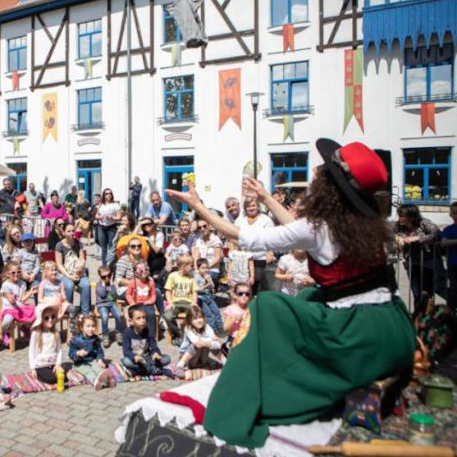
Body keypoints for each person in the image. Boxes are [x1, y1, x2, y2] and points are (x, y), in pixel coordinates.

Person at [167, 139, 416, 448]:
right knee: (308, 299)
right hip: (393, 330)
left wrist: (197, 206)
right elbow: (301, 233)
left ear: (331, 187)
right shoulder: (365, 224)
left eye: (324, 170)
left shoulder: (320, 226)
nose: (315, 170)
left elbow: (241, 235)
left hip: (355, 336)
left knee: (267, 308)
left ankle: (265, 389)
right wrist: (265, 197)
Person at [395, 204, 445, 303]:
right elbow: (389, 232)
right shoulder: (398, 226)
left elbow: (437, 234)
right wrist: (397, 238)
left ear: (411, 216)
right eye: (399, 215)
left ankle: (429, 315)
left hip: (428, 261)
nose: (399, 218)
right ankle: (418, 315)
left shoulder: (424, 223)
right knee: (416, 291)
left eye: (402, 216)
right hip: (411, 261)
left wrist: (417, 238)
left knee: (427, 291)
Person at [234, 198, 275, 295]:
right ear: (245, 208)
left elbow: (271, 237)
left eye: (253, 205)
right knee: (245, 288)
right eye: (248, 206)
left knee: (260, 287)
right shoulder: (240, 221)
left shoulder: (266, 220)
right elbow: (234, 237)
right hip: (244, 259)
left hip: (260, 258)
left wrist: (270, 253)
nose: (251, 208)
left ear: (258, 206)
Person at [121, 306, 172, 378]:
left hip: (147, 357)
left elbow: (153, 345)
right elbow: (126, 350)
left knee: (167, 359)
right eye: (138, 318)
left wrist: (156, 353)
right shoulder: (127, 332)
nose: (142, 320)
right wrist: (134, 357)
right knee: (126, 361)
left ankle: (136, 372)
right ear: (131, 321)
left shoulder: (148, 330)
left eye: (144, 317)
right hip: (136, 360)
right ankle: (157, 370)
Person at [174, 305, 223, 379]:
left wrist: (208, 343)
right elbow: (197, 344)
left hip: (203, 360)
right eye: (195, 319)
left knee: (211, 345)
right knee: (195, 345)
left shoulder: (207, 327)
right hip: (190, 360)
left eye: (200, 317)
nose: (199, 321)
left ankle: (226, 362)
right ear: (190, 320)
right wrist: (210, 342)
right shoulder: (188, 328)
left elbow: (218, 344)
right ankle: (180, 365)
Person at [68, 314, 114, 390]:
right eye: (88, 326)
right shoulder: (76, 340)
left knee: (98, 367)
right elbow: (71, 353)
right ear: (81, 328)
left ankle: (106, 379)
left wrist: (100, 359)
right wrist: (78, 353)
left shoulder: (95, 338)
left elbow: (99, 351)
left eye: (93, 326)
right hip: (80, 363)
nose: (91, 329)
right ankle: (95, 381)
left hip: (92, 360)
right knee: (88, 371)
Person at [54, 222, 91, 314]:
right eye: (69, 231)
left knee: (86, 284)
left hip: (78, 272)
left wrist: (80, 267)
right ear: (64, 232)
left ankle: (85, 313)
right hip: (64, 273)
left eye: (73, 231)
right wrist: (69, 276)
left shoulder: (79, 243)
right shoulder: (59, 245)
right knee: (69, 285)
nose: (71, 233)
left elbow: (82, 259)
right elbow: (59, 265)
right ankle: (69, 310)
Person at [163, 254, 199, 345]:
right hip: (175, 302)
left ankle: (191, 336)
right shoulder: (173, 276)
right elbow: (168, 291)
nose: (193, 267)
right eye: (191, 265)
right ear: (184, 266)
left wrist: (194, 302)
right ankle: (179, 334)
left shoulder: (191, 277)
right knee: (167, 316)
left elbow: (194, 292)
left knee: (194, 315)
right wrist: (170, 303)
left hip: (188, 302)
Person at [0, 263, 36, 346]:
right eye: (13, 272)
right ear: (7, 274)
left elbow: (22, 300)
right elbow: (11, 301)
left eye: (18, 272)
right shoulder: (5, 285)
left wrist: (30, 292)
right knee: (7, 320)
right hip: (9, 309)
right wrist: (12, 298)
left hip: (20, 308)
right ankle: (4, 331)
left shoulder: (22, 283)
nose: (16, 274)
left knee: (36, 311)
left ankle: (25, 327)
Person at [28, 304, 63, 385]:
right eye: (46, 318)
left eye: (53, 317)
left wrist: (58, 364)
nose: (50, 320)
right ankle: (38, 375)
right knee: (51, 379)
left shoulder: (56, 333)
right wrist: (32, 368)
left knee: (62, 376)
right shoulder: (35, 333)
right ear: (41, 319)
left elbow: (59, 350)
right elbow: (31, 351)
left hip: (52, 363)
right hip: (40, 365)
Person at [125, 260, 157, 334]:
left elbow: (153, 295)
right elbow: (128, 294)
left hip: (147, 303)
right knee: (134, 315)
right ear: (136, 273)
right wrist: (132, 302)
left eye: (145, 269)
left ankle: (150, 334)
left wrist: (150, 301)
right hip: (136, 304)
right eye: (141, 270)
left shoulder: (150, 282)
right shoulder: (133, 282)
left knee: (150, 314)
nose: (144, 272)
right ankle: (135, 332)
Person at [95, 266, 122, 347]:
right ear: (100, 277)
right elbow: (102, 294)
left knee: (118, 315)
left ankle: (118, 333)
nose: (107, 278)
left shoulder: (111, 284)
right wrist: (103, 284)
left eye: (109, 275)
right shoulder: (98, 285)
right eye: (104, 277)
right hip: (102, 304)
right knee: (105, 316)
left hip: (111, 303)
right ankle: (105, 335)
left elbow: (114, 295)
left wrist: (112, 284)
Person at [194, 258, 223, 334]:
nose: (205, 270)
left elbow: (212, 286)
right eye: (203, 268)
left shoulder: (208, 275)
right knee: (209, 314)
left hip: (209, 296)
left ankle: (220, 327)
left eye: (206, 268)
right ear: (198, 268)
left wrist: (209, 280)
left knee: (216, 311)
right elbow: (196, 289)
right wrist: (206, 286)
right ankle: (213, 329)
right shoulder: (197, 277)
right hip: (201, 298)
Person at [95, 188, 120, 265]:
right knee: (104, 249)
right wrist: (100, 217)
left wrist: (112, 218)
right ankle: (104, 267)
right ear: (104, 195)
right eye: (106, 194)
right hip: (101, 227)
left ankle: (112, 266)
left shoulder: (115, 205)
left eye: (110, 193)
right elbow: (96, 215)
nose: (108, 195)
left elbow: (119, 217)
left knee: (112, 247)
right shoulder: (101, 205)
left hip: (111, 227)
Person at [444, 202, 457, 309]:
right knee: (453, 290)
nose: (452, 215)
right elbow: (444, 242)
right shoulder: (449, 229)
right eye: (452, 212)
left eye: (455, 212)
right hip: (454, 264)